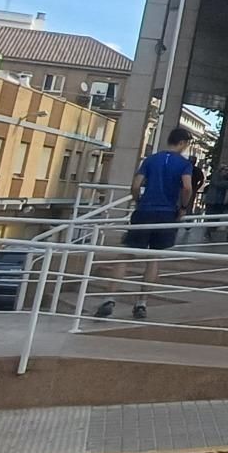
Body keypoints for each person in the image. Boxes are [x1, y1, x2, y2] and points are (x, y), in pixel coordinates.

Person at [94, 126, 195, 322]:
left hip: (144, 211)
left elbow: (135, 185)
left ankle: (109, 298)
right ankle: (141, 303)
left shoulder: (151, 159)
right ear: (182, 143)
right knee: (153, 258)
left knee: (125, 255)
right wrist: (183, 207)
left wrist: (137, 200)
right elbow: (187, 187)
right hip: (166, 214)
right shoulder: (183, 164)